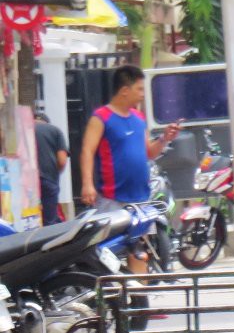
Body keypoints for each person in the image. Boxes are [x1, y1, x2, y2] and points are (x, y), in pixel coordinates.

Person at [79, 64, 182, 274]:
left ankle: (139, 300)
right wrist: (87, 184)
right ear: (124, 90)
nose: (142, 95)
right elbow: (87, 151)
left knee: (139, 249)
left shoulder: (139, 119)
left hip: (140, 198)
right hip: (112, 197)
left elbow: (148, 153)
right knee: (109, 252)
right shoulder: (101, 118)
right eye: (139, 89)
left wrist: (164, 138)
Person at [33, 111, 68, 226]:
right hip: (49, 178)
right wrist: (55, 173)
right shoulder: (55, 131)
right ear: (47, 122)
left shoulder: (22, 130)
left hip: (25, 182)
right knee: (50, 221)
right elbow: (62, 160)